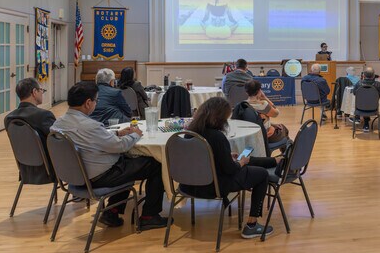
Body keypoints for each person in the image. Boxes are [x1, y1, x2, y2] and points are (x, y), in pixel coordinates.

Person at [51, 82, 168, 230]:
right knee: (156, 163)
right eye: (96, 100)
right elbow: (120, 146)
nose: (96, 103)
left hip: (76, 176)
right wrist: (135, 135)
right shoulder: (89, 126)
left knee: (127, 163)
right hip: (99, 177)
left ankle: (112, 212)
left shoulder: (58, 123)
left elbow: (91, 139)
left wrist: (118, 133)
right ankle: (149, 216)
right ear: (88, 103)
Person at [180, 97, 281, 239]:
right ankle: (252, 225)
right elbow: (230, 170)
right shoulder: (217, 137)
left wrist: (228, 157)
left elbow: (203, 159)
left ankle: (274, 161)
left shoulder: (190, 133)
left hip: (190, 184)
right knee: (261, 174)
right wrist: (241, 163)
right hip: (216, 185)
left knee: (244, 161)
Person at [4, 78, 56, 184]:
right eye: (42, 90)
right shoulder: (43, 115)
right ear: (34, 92)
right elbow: (58, 140)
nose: (42, 93)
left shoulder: (9, 118)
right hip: (48, 170)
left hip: (24, 170)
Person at [245, 80, 290, 145]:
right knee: (284, 128)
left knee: (277, 127)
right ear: (259, 91)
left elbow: (256, 120)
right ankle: (287, 151)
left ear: (246, 92)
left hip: (252, 135)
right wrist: (265, 98)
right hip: (265, 136)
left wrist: (272, 124)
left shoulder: (243, 104)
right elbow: (276, 113)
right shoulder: (263, 105)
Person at [352, 67, 380, 132]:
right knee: (368, 102)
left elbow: (355, 93)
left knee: (363, 102)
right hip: (374, 108)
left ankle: (362, 121)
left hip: (360, 108)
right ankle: (366, 122)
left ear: (363, 75)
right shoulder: (379, 85)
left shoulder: (358, 84)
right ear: (374, 75)